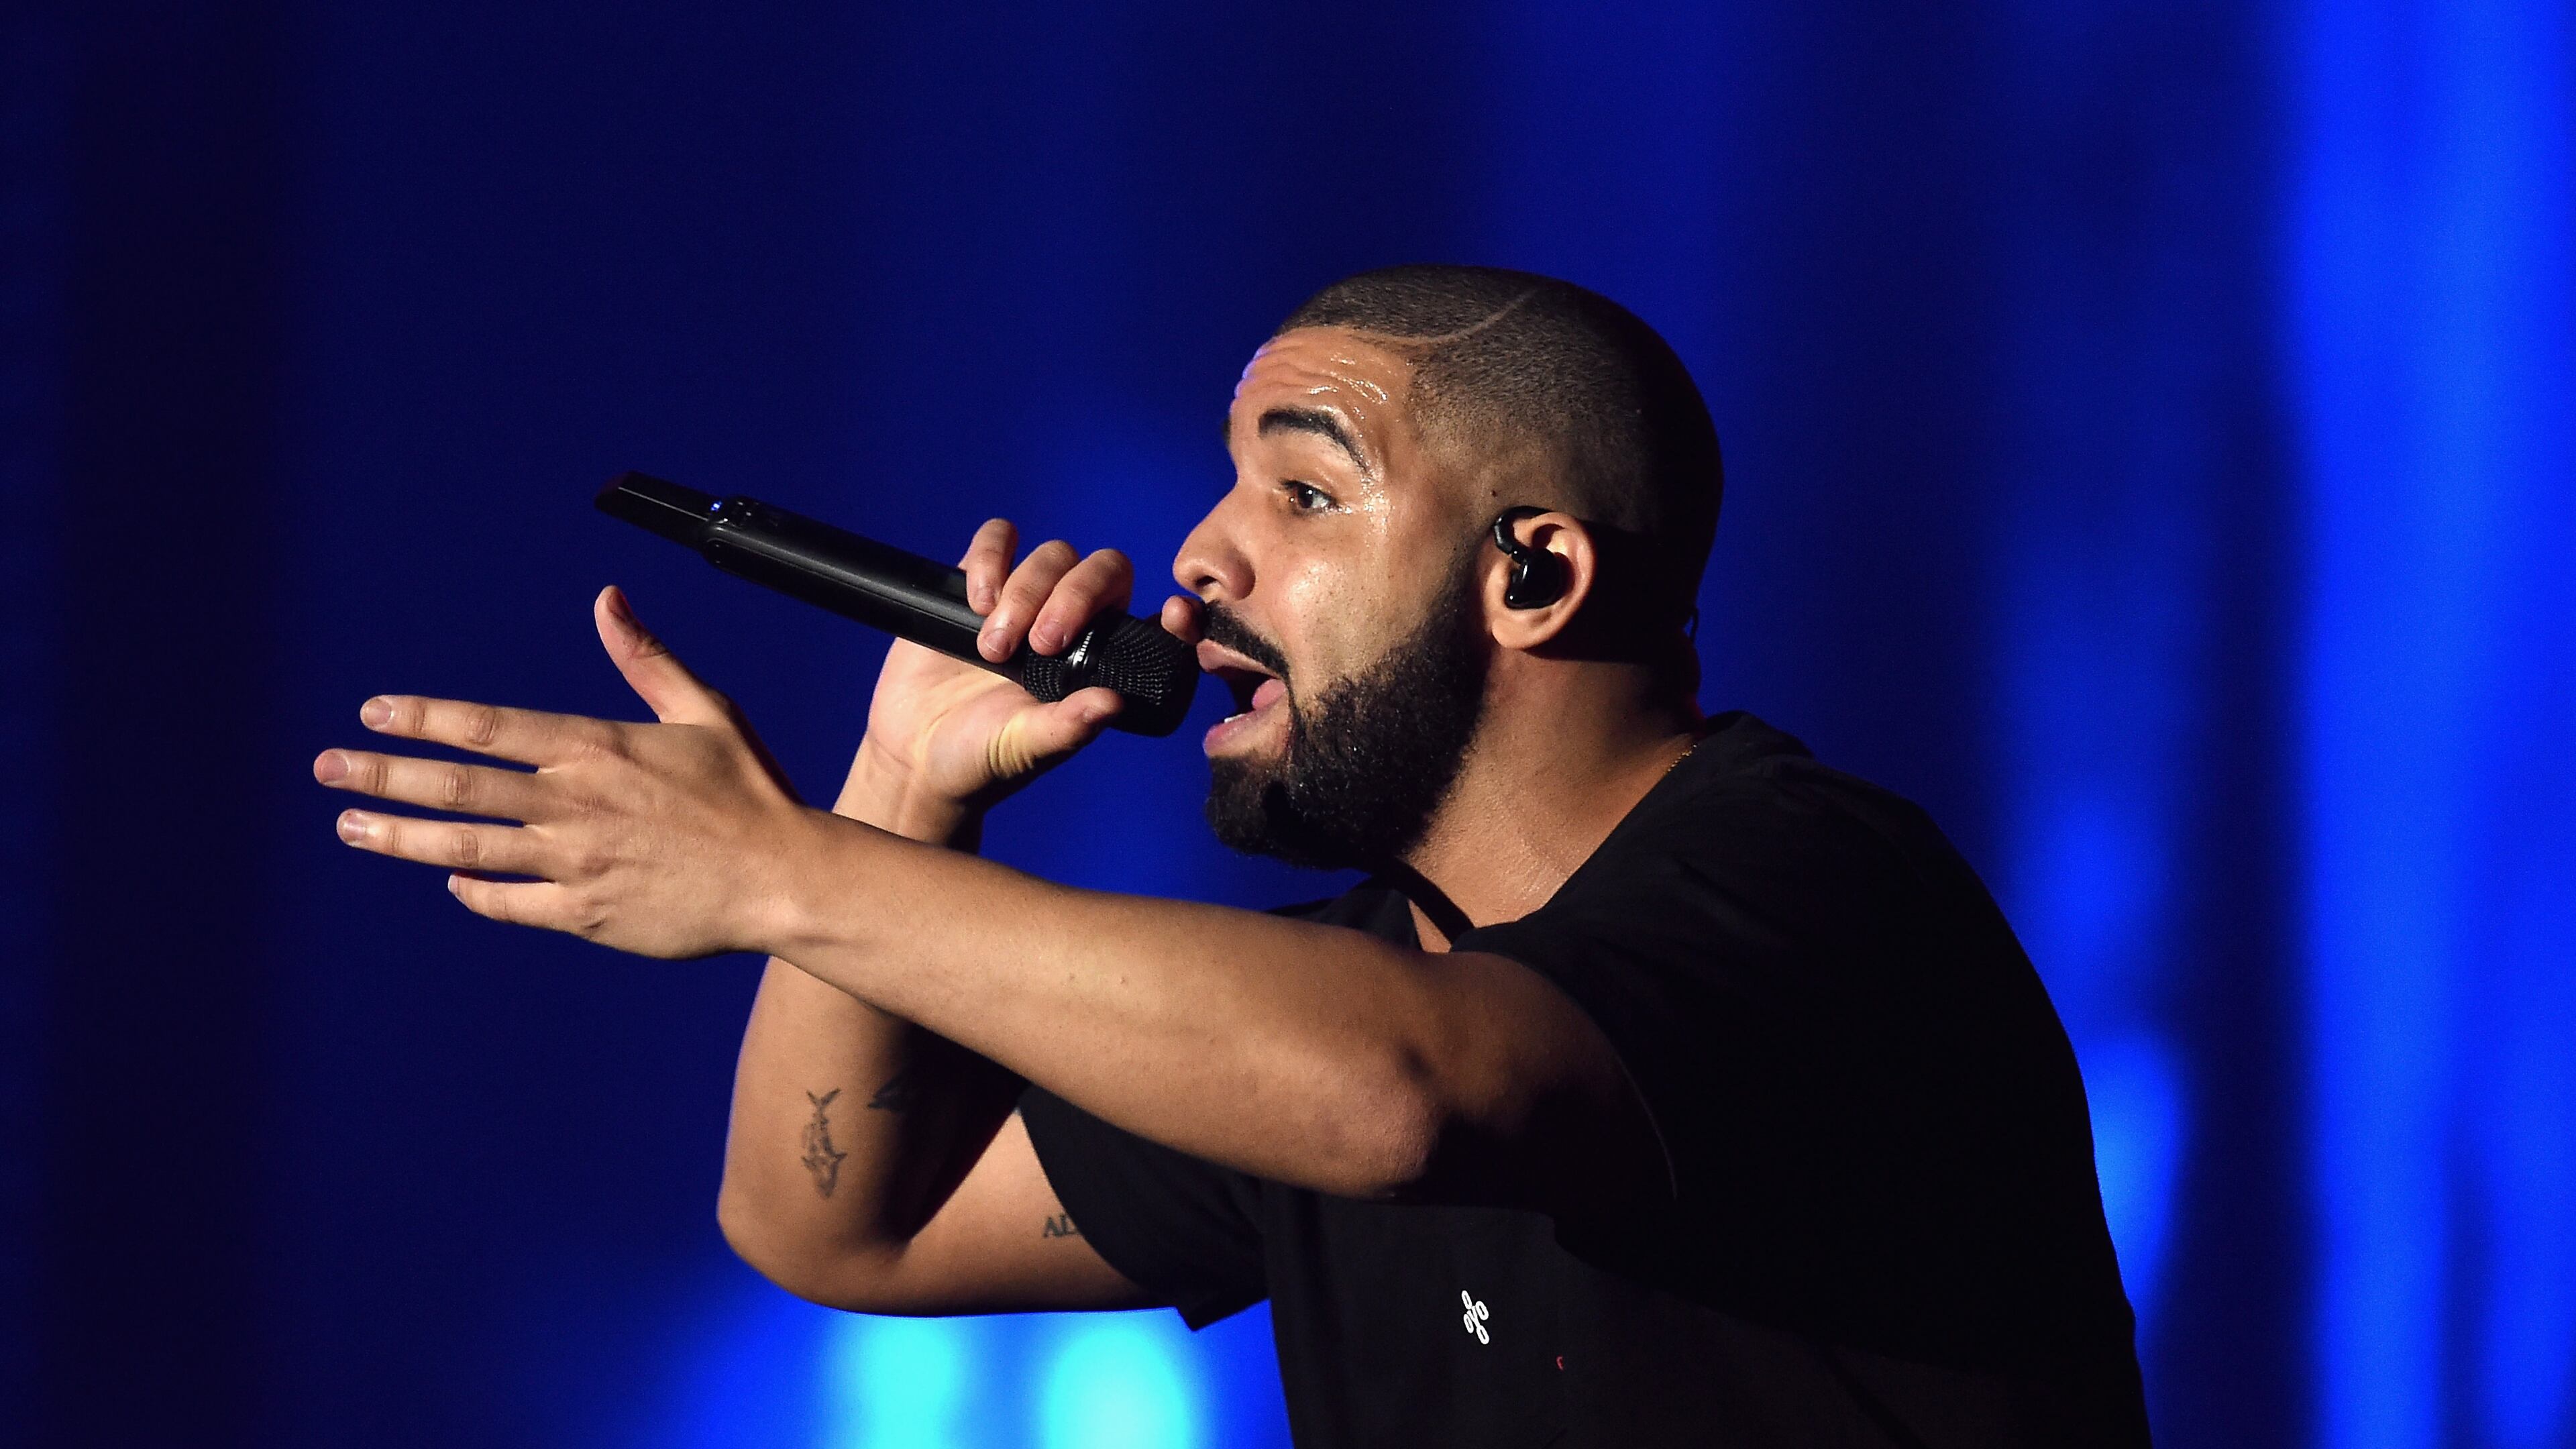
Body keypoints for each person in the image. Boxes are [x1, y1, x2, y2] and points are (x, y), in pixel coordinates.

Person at [314, 266, 2152, 1446]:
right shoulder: (1335, 990)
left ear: (1534, 573)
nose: (1199, 558)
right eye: (1225, 482)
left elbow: (1410, 1097)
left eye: (1304, 488)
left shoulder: (1815, 885)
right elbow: (832, 1224)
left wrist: (787, 874)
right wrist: (898, 785)